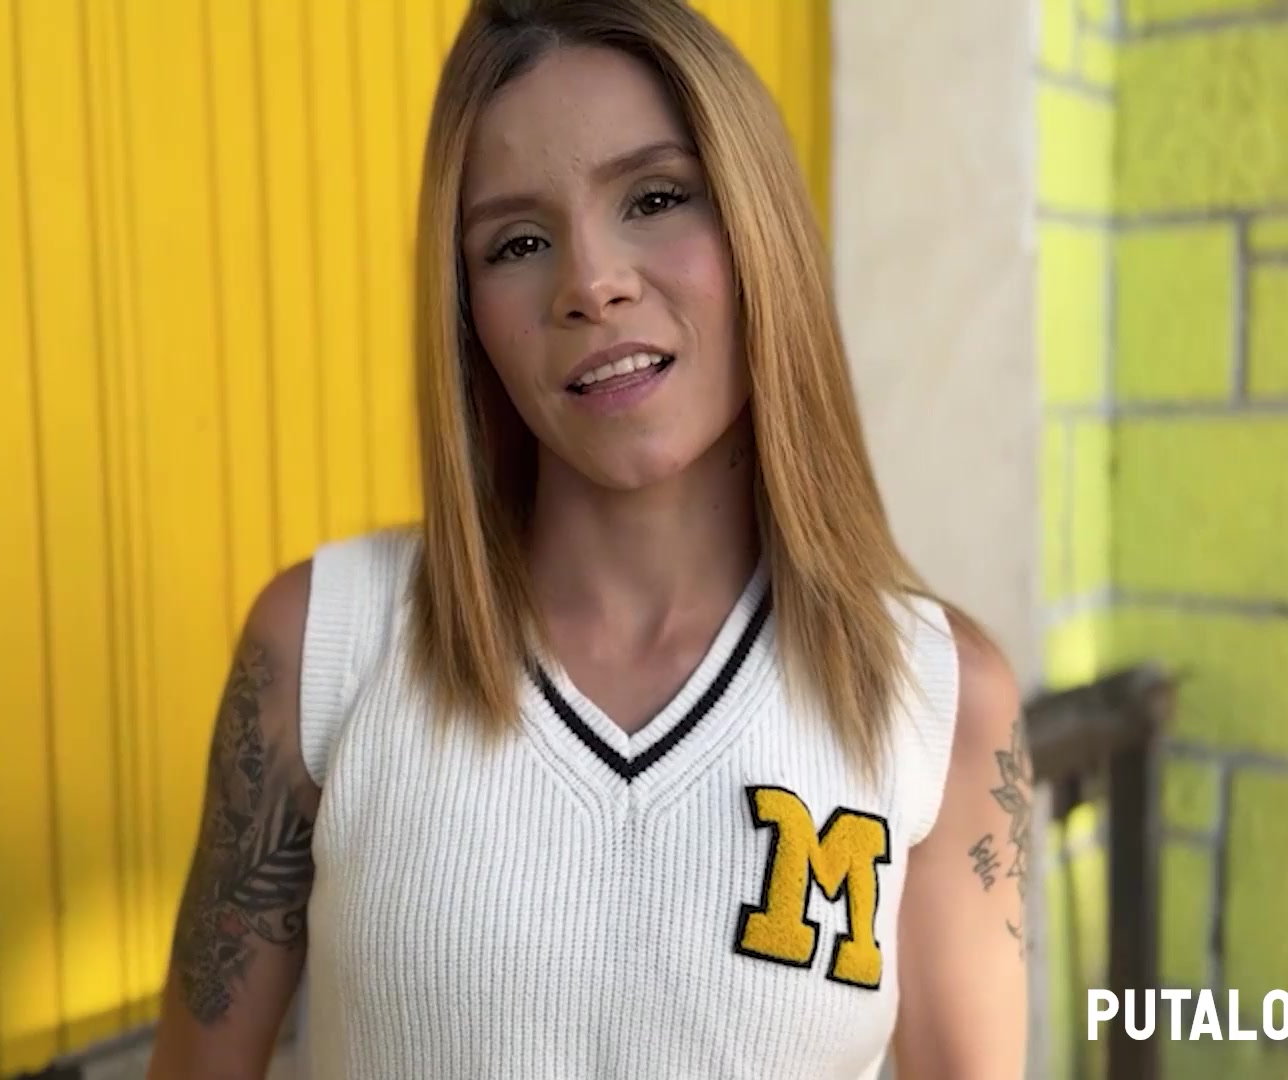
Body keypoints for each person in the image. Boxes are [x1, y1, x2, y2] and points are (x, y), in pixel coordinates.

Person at [147, 0, 1031, 1076]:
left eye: (655, 198)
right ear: (466, 309)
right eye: (517, 243)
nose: (591, 283)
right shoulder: (321, 646)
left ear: (760, 226)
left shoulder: (942, 700)